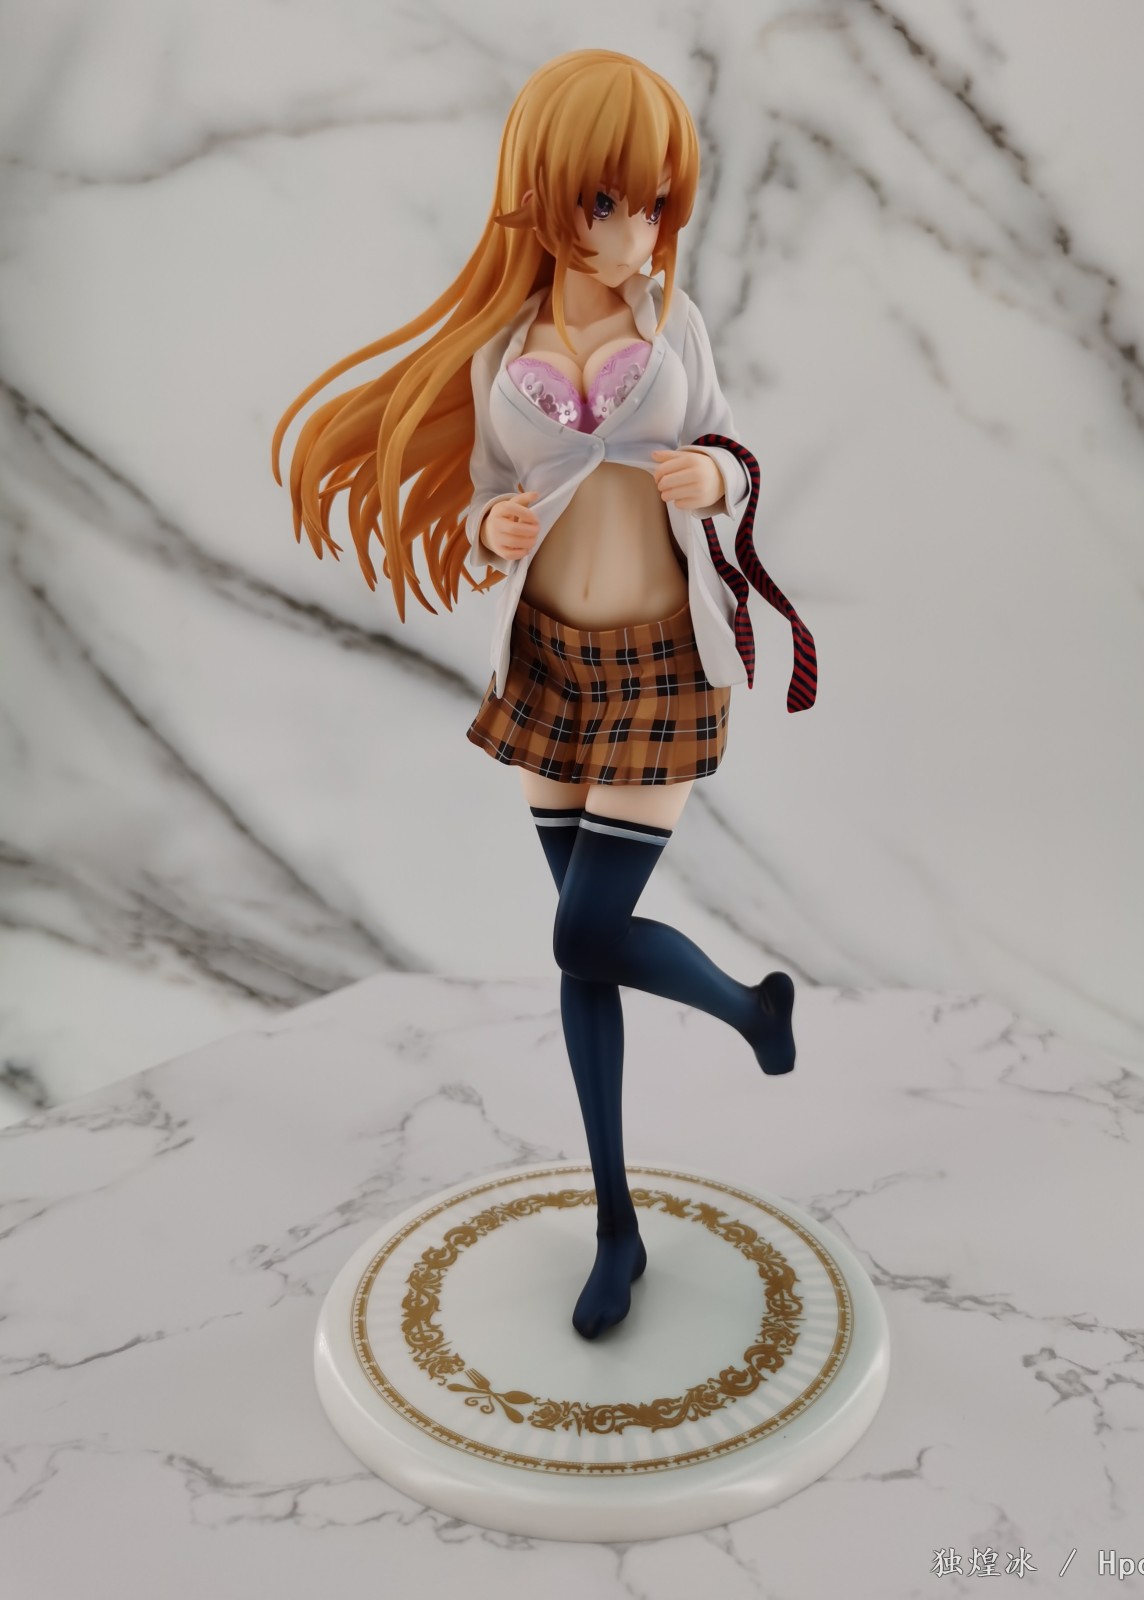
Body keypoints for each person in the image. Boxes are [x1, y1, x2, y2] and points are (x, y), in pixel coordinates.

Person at [272, 48, 816, 1342]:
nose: (638, 233)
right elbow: (480, 502)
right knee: (586, 953)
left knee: (583, 935)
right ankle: (618, 1224)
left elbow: (734, 448)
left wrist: (714, 481)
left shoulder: (674, 331)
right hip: (549, 668)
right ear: (547, 196)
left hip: (661, 664)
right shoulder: (502, 354)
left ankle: (750, 1011)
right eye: (610, 203)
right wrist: (491, 529)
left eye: (656, 204)